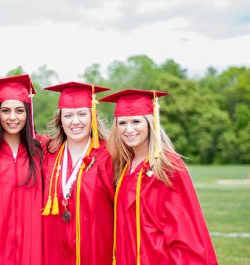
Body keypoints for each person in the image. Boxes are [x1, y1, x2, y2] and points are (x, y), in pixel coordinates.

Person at [99, 89, 218, 265]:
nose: (129, 129)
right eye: (122, 123)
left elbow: (184, 228)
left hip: (159, 258)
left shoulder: (167, 165)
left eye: (136, 121)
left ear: (150, 123)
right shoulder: (123, 165)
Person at [42, 82, 115, 265]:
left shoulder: (109, 156)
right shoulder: (49, 155)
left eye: (82, 114)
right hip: (55, 253)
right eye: (68, 115)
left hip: (97, 253)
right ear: (60, 120)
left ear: (93, 117)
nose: (75, 121)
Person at [0, 74, 44, 265]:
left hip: (33, 246)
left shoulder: (42, 149)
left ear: (28, 113)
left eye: (19, 111)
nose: (13, 117)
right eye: (6, 111)